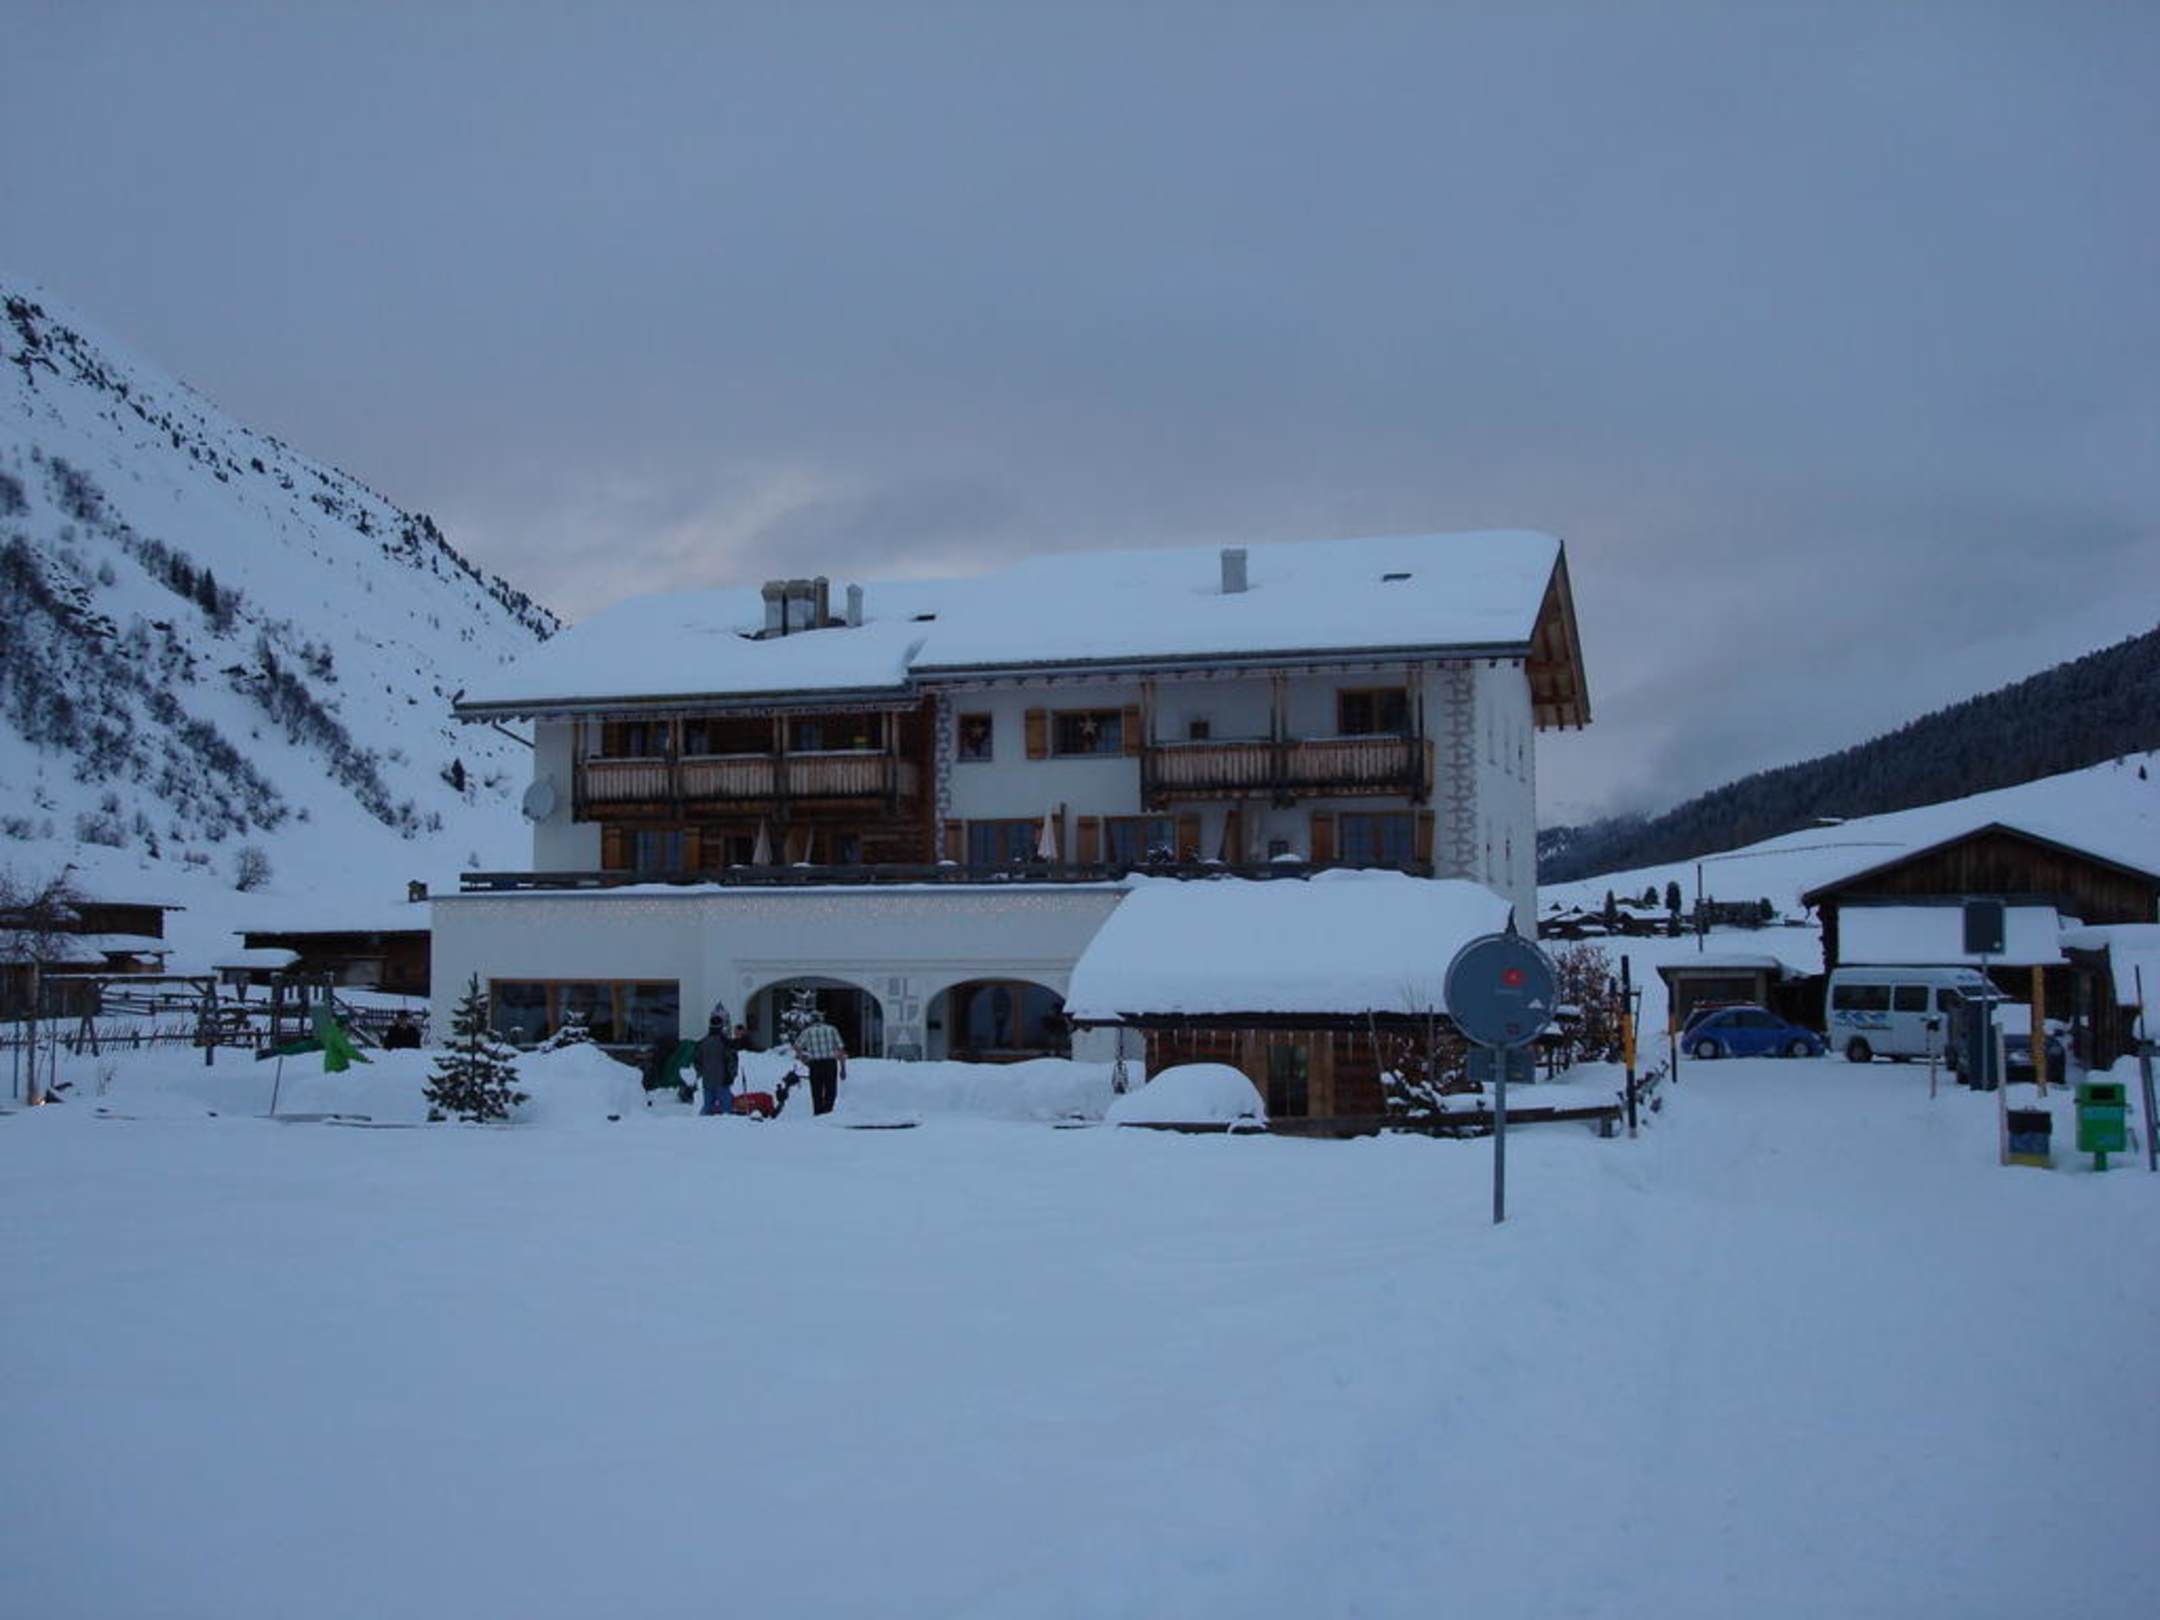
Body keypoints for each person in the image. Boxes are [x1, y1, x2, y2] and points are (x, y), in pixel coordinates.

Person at [791, 1011, 847, 1116]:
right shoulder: (832, 1029)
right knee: (831, 1089)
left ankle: (818, 1113)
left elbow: (797, 1046)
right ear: (822, 1019)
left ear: (811, 1020)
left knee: (816, 1090)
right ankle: (828, 1111)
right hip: (830, 1063)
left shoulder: (807, 1032)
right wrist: (843, 1068)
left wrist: (802, 1058)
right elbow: (840, 1049)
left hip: (815, 1064)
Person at [694, 1008, 738, 1117]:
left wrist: (702, 1073)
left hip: (707, 1081)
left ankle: (702, 1124)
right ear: (721, 1026)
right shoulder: (726, 1042)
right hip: (723, 1080)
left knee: (707, 1108)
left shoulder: (702, 1043)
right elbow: (732, 1061)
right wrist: (732, 1075)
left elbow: (697, 1061)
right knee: (726, 1110)